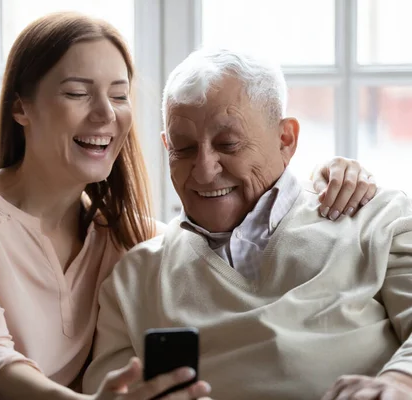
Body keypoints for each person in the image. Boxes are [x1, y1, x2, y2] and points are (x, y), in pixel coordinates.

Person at [0, 13, 377, 400]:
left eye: (119, 95)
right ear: (21, 107)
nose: (105, 114)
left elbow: (236, 223)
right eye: (78, 92)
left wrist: (326, 174)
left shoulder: (126, 239)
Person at [82, 48, 412, 400]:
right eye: (184, 148)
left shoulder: (375, 217)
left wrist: (399, 382)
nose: (204, 170)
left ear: (286, 139)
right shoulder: (135, 276)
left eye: (228, 144)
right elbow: (109, 390)